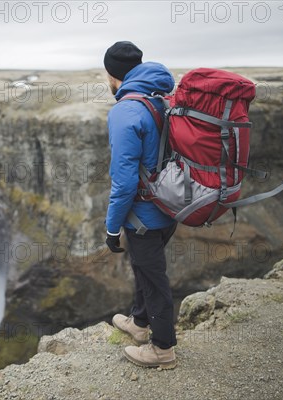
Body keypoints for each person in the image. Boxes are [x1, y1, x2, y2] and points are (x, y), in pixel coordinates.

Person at [103, 41, 179, 369]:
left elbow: (123, 183)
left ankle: (163, 349)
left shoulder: (124, 111)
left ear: (113, 74)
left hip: (143, 215)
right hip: (169, 207)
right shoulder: (160, 99)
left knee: (153, 277)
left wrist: (111, 227)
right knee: (143, 268)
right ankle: (139, 322)